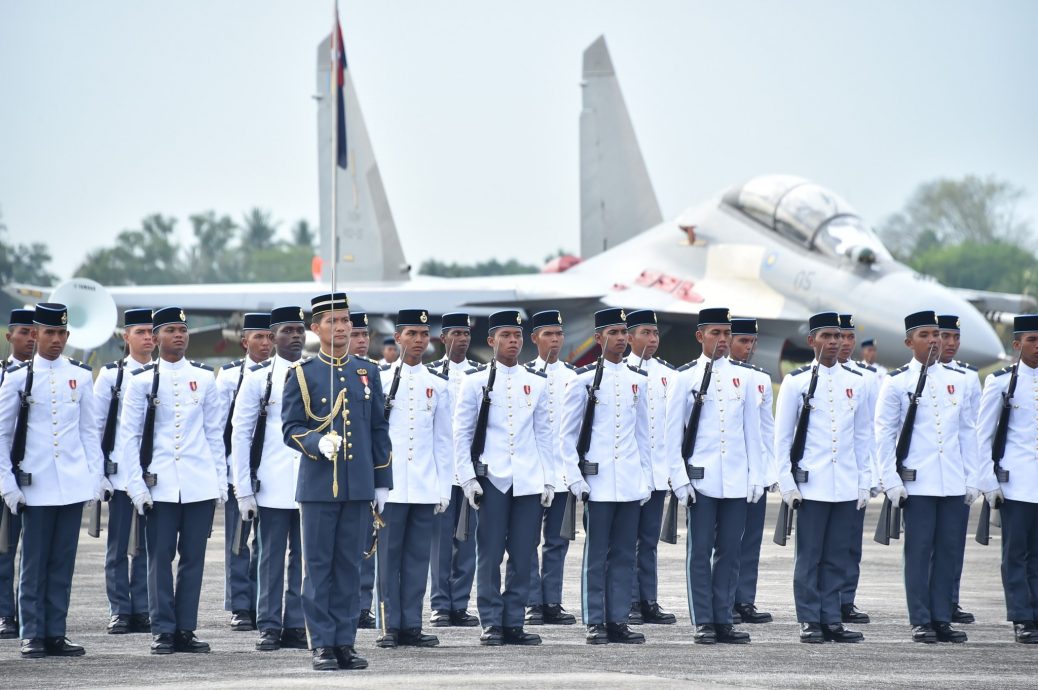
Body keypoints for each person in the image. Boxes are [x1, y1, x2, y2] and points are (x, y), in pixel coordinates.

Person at [281, 292, 392, 671]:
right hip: (317, 486)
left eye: (345, 321)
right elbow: (290, 428)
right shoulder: (302, 373)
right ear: (317, 328)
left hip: (358, 485)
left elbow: (379, 429)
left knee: (350, 566)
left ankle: (345, 641)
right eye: (333, 321)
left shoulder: (368, 371)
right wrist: (315, 441)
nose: (341, 327)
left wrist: (382, 483)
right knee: (319, 567)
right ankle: (322, 644)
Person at [0, 303, 100, 659]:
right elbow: (2, 435)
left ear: (67, 336)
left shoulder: (81, 376)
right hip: (35, 484)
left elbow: (90, 433)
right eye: (48, 333)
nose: (56, 340)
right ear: (35, 334)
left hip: (71, 484)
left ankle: (56, 632)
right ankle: (31, 633)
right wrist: (8, 484)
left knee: (62, 563)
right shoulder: (17, 378)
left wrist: (94, 478)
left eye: (61, 334)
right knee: (33, 563)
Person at [122, 307, 225, 655]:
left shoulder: (205, 378)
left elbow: (214, 436)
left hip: (198, 483)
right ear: (156, 337)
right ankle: (162, 629)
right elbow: (129, 439)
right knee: (159, 559)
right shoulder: (140, 382)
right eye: (171, 329)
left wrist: (220, 483)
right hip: (160, 484)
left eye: (183, 329)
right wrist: (136, 486)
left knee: (193, 559)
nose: (179, 335)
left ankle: (185, 628)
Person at [874, 310, 979, 643]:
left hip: (952, 481)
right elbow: (884, 435)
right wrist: (890, 480)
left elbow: (967, 432)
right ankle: (921, 619)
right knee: (919, 552)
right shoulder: (897, 382)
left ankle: (942, 618)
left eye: (936, 334)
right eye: (925, 335)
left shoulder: (959, 379)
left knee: (949, 550)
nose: (934, 340)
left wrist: (973, 477)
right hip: (916, 482)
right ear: (909, 342)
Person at [455, 310, 554, 646]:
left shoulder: (537, 382)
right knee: (490, 553)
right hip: (492, 478)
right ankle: (491, 621)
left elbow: (544, 435)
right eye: (506, 335)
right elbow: (462, 433)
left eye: (517, 335)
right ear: (491, 341)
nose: (513, 341)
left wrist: (548, 479)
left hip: (527, 478)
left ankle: (514, 621)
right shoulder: (473, 382)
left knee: (524, 553)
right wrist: (468, 479)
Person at [561, 308, 659, 645]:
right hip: (597, 482)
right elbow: (567, 436)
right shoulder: (583, 380)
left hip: (629, 481)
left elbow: (643, 436)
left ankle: (617, 619)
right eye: (613, 332)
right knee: (596, 554)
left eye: (623, 332)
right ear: (599, 338)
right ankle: (594, 620)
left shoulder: (638, 380)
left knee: (623, 555)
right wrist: (574, 479)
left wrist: (646, 478)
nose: (619, 338)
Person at [665, 307, 762, 644]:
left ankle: (724, 618)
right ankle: (703, 620)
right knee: (700, 551)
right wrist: (679, 479)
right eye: (715, 333)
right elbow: (671, 436)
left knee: (730, 552)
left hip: (735, 478)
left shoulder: (745, 377)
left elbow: (753, 433)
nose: (722, 340)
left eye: (726, 334)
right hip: (700, 480)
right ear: (700, 336)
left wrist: (756, 477)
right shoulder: (683, 378)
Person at [775, 312, 872, 643]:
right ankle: (809, 619)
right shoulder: (797, 382)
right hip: (811, 485)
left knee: (837, 557)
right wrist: (787, 484)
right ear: (811, 340)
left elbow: (862, 437)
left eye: (839, 336)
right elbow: (783, 438)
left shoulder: (856, 382)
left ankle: (832, 618)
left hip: (844, 484)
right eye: (827, 336)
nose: (834, 342)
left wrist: (863, 482)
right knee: (810, 556)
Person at [230, 306, 308, 652]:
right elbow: (240, 434)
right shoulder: (259, 378)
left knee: (304, 559)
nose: (296, 336)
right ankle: (269, 624)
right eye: (288, 330)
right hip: (272, 482)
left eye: (300, 330)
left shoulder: (318, 373)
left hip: (309, 482)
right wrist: (243, 489)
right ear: (273, 336)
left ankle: (296, 623)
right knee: (270, 557)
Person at [375, 309, 453, 648]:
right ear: (397, 338)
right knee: (388, 559)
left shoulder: (437, 385)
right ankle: (389, 625)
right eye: (412, 334)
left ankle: (412, 624)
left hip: (423, 484)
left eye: (423, 334)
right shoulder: (378, 379)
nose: (419, 340)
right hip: (390, 487)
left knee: (418, 558)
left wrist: (444, 487)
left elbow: (442, 441)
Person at [975, 314, 1038, 644]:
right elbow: (983, 437)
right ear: (1017, 345)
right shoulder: (1002, 382)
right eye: (1032, 340)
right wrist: (988, 482)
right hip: (1016, 484)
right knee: (1016, 555)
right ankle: (1022, 618)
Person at [92, 308, 154, 635]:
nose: (148, 338)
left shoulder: (164, 372)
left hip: (153, 474)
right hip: (118, 474)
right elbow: (96, 427)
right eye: (140, 332)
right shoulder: (111, 376)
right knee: (117, 546)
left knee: (146, 546)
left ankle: (142, 608)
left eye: (150, 332)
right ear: (125, 336)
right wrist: (97, 474)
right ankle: (119, 609)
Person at [623, 309, 681, 626]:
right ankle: (629, 599)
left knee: (648, 541)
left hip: (657, 472)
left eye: (656, 333)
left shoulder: (669, 376)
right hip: (630, 472)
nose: (653, 339)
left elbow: (672, 428)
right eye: (645, 332)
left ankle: (649, 600)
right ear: (629, 337)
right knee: (627, 541)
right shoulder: (619, 372)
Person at [215, 313, 272, 631]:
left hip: (271, 471)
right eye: (258, 338)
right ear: (244, 341)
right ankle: (239, 605)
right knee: (238, 541)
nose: (264, 344)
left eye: (268, 338)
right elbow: (222, 429)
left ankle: (261, 600)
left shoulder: (283, 373)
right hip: (238, 470)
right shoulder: (229, 377)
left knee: (267, 543)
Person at [524, 310, 578, 627]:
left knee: (557, 542)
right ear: (535, 339)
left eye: (558, 334)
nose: (555, 340)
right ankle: (532, 601)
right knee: (528, 541)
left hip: (563, 474)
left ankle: (552, 601)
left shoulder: (573, 377)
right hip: (533, 473)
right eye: (548, 334)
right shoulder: (524, 376)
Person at [426, 312, 481, 628]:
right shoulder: (433, 374)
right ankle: (440, 604)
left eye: (466, 333)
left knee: (467, 540)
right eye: (455, 333)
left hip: (470, 470)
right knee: (441, 541)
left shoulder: (479, 374)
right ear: (443, 338)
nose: (461, 339)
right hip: (442, 470)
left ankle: (459, 603)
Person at [728, 317, 776, 625]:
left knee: (751, 540)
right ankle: (725, 599)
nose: (749, 348)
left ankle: (745, 599)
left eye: (752, 342)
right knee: (727, 543)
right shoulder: (712, 376)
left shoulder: (760, 379)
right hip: (728, 471)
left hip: (755, 470)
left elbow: (767, 430)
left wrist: (769, 471)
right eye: (743, 341)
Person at [936, 314, 980, 626]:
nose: (950, 344)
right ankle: (928, 604)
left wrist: (973, 475)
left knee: (953, 545)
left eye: (955, 338)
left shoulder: (967, 377)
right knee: (925, 547)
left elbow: (972, 431)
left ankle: (949, 601)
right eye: (945, 336)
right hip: (926, 476)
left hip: (956, 475)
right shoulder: (915, 377)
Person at [836, 314, 876, 625]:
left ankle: (846, 599)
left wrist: (870, 476)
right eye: (841, 337)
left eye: (850, 338)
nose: (846, 344)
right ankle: (827, 600)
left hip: (853, 474)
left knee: (851, 545)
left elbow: (870, 431)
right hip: (825, 477)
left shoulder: (865, 378)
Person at [0, 308, 36, 640]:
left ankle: (28, 616)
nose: (30, 338)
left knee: (34, 553)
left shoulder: (45, 376)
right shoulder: (2, 375)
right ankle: (4, 614)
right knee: (3, 549)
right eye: (23, 332)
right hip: (3, 474)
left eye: (33, 332)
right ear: (9, 336)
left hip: (35, 477)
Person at [348, 311, 378, 630]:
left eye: (364, 335)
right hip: (336, 471)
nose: (361, 341)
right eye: (356, 334)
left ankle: (362, 606)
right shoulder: (327, 373)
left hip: (366, 471)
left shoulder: (375, 373)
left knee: (367, 544)